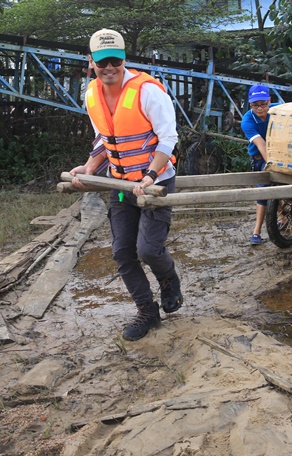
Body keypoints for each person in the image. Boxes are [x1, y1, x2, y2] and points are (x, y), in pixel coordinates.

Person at [69, 29, 183, 341]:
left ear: (124, 60)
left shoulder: (147, 91)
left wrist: (149, 175)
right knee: (122, 252)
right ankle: (147, 311)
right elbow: (105, 139)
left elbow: (168, 138)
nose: (109, 67)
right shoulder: (91, 93)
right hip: (119, 184)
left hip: (155, 182)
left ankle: (169, 280)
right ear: (91, 61)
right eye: (102, 61)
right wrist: (89, 168)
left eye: (115, 60)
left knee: (148, 249)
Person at [241, 84, 272, 245]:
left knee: (284, 188)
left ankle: (281, 217)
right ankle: (256, 231)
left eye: (263, 104)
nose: (260, 108)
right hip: (261, 158)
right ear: (250, 104)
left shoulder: (278, 111)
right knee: (262, 193)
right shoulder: (247, 121)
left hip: (281, 156)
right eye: (255, 105)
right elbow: (261, 144)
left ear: (269, 101)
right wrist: (272, 165)